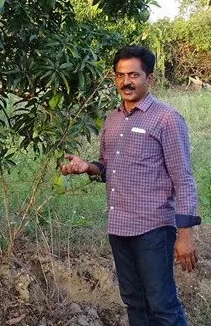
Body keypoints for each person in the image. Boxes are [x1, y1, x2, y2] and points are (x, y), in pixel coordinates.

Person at [61, 45, 200, 326]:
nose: (126, 82)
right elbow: (108, 168)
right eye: (120, 75)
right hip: (119, 228)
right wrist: (87, 167)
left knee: (161, 305)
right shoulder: (112, 120)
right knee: (134, 302)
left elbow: (182, 178)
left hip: (153, 229)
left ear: (150, 79)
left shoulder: (166, 119)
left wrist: (185, 234)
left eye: (134, 74)